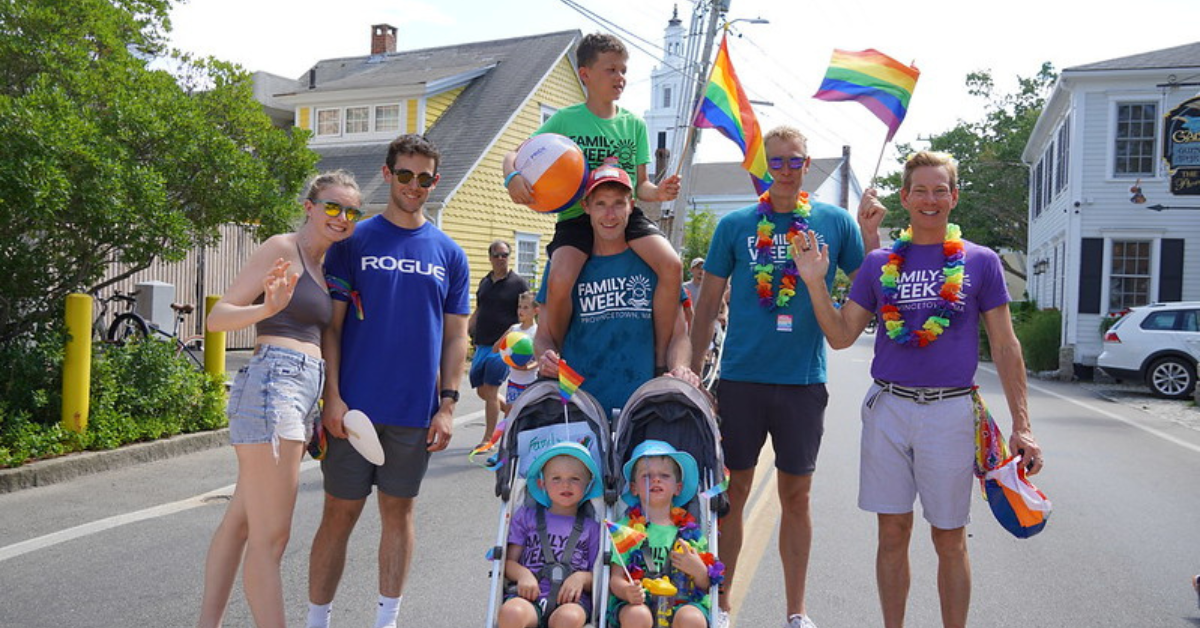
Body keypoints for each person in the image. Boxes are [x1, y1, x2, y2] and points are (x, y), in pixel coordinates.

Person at [790, 151, 1044, 628]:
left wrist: (1023, 426)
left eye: (940, 190)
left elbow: (1006, 347)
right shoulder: (879, 264)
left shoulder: (981, 262)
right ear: (905, 198)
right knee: (892, 533)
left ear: (954, 197)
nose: (931, 200)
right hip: (888, 408)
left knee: (950, 538)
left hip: (949, 411)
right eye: (921, 190)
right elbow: (842, 337)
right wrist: (815, 282)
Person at [688, 125, 877, 628]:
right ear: (764, 167)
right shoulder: (736, 226)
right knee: (735, 493)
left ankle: (797, 611)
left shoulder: (836, 224)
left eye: (795, 161)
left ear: (807, 163)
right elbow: (707, 304)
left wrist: (873, 234)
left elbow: (869, 283)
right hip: (742, 378)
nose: (787, 170)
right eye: (777, 162)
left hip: (802, 381)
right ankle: (721, 604)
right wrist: (691, 366)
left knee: (797, 496)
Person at [306, 134, 470, 628]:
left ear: (434, 182)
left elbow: (456, 338)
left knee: (398, 515)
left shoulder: (449, 253)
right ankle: (317, 620)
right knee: (338, 515)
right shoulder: (353, 240)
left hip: (414, 414)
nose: (414, 186)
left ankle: (387, 620)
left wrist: (447, 405)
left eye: (424, 178)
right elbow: (330, 327)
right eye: (405, 175)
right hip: (352, 412)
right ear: (387, 173)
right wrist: (330, 397)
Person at [197, 170, 362, 628]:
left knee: (241, 524)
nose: (342, 217)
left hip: (298, 389)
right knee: (271, 539)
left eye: (351, 211)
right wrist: (266, 309)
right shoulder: (281, 248)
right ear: (309, 206)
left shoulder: (325, 265)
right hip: (275, 384)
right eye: (332, 206)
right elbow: (218, 317)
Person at [504, 32, 683, 380]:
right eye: (611, 70)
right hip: (575, 216)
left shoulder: (633, 124)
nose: (620, 78)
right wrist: (512, 178)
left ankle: (662, 358)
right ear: (585, 75)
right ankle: (552, 355)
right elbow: (515, 154)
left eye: (624, 70)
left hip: (624, 212)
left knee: (673, 264)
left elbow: (641, 184)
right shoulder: (565, 120)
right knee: (560, 276)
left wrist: (658, 192)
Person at [534, 158, 698, 416]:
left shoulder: (652, 263)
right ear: (586, 207)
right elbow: (544, 337)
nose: (609, 215)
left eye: (618, 204)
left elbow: (679, 336)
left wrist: (680, 368)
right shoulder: (565, 267)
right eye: (601, 204)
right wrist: (546, 358)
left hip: (644, 407)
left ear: (631, 207)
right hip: (578, 408)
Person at [608, 440, 721, 628]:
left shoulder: (690, 533)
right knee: (637, 615)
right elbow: (615, 578)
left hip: (681, 602)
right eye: (647, 476)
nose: (656, 480)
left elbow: (705, 584)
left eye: (664, 475)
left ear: (678, 488)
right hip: (638, 602)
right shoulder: (624, 529)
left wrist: (698, 570)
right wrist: (627, 591)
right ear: (634, 488)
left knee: (691, 618)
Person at [499, 442, 603, 628]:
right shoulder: (526, 516)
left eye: (575, 479)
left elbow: (599, 574)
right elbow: (508, 564)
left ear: (588, 485)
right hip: (528, 594)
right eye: (556, 478)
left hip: (571, 600)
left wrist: (581, 578)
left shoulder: (592, 528)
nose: (566, 484)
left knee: (569, 618)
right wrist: (523, 575)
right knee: (511, 612)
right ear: (542, 484)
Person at [468, 239, 529, 448]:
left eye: (505, 255)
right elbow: (479, 309)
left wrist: (516, 335)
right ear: (490, 258)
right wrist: (467, 327)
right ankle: (515, 415)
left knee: (491, 390)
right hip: (482, 344)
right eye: (497, 255)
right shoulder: (485, 282)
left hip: (504, 346)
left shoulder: (518, 283)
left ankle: (488, 439)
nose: (501, 259)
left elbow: (527, 312)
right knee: (482, 391)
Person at [500, 291, 540, 411]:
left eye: (526, 307)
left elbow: (540, 358)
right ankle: (506, 430)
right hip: (514, 380)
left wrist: (528, 367)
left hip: (531, 381)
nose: (520, 310)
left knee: (528, 414)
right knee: (510, 414)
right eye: (519, 307)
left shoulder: (537, 332)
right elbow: (497, 348)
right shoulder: (514, 329)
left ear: (536, 311)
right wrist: (505, 347)